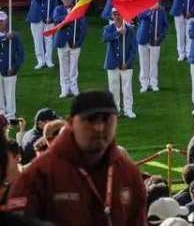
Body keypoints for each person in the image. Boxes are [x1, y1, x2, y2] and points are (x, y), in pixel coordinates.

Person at [6, 91, 147, 225]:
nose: (99, 127)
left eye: (106, 119)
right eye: (90, 119)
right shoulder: (39, 174)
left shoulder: (128, 173)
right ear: (71, 123)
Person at [101, 13, 137, 119]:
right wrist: (117, 33)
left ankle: (128, 109)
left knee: (127, 87)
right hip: (112, 63)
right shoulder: (108, 28)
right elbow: (104, 38)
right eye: (114, 14)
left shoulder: (130, 30)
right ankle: (115, 109)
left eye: (119, 14)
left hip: (126, 64)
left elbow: (133, 49)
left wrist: (128, 62)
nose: (116, 16)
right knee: (113, 87)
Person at [51, 0, 85, 98]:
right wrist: (69, 17)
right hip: (62, 42)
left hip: (74, 42)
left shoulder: (78, 10)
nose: (67, 0)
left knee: (74, 67)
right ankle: (64, 88)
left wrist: (78, 41)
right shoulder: (58, 9)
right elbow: (56, 19)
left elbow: (83, 28)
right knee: (63, 66)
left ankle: (74, 87)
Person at [26, 0, 58, 70]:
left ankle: (48, 60)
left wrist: (52, 17)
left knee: (49, 40)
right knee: (37, 40)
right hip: (35, 18)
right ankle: (40, 60)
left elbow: (55, 3)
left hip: (48, 19)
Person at [135, 2, 168, 92]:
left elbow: (165, 26)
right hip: (143, 38)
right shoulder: (143, 6)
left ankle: (153, 83)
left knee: (153, 63)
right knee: (143, 63)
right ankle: (144, 84)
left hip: (155, 40)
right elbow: (140, 16)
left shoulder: (161, 11)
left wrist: (160, 37)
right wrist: (150, 9)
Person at [0, 11, 24, 118]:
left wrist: (14, 67)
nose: (0, 23)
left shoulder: (15, 36)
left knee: (10, 93)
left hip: (9, 69)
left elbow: (21, 55)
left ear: (6, 21)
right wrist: (5, 38)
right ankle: (1, 115)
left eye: (2, 21)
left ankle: (10, 116)